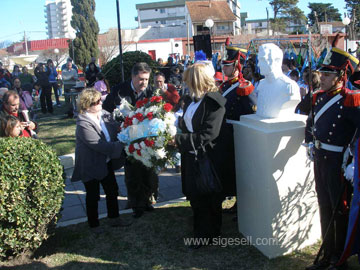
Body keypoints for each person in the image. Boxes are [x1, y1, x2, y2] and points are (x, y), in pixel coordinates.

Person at [304, 43, 360, 270]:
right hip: (321, 158)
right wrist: (309, 141)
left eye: (328, 74)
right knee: (324, 205)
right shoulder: (318, 97)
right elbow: (310, 122)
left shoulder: (351, 100)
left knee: (339, 209)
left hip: (338, 162)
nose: (323, 77)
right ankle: (327, 253)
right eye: (322, 73)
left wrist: (354, 160)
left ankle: (340, 257)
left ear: (340, 76)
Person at [175, 63, 226, 249]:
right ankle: (200, 231)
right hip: (190, 156)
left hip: (206, 158)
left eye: (189, 81)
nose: (186, 85)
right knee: (196, 197)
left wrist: (179, 140)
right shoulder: (191, 100)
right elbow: (186, 124)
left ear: (198, 81)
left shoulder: (214, 102)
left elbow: (208, 134)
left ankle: (210, 234)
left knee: (208, 198)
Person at [71, 89, 132, 234]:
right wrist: (122, 144)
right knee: (93, 195)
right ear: (87, 105)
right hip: (90, 163)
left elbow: (117, 129)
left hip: (105, 161)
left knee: (112, 190)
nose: (100, 103)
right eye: (96, 101)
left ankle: (114, 218)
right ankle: (94, 225)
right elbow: (98, 144)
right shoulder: (83, 123)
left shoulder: (104, 114)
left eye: (100, 100)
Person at [103, 62, 158, 218]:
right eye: (141, 79)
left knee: (148, 171)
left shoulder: (151, 91)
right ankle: (136, 205)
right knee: (133, 173)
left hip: (146, 138)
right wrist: (117, 125)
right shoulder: (118, 91)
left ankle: (147, 200)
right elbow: (106, 112)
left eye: (147, 79)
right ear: (133, 76)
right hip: (128, 139)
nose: (144, 83)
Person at [219, 41, 256, 211]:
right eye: (224, 65)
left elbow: (250, 113)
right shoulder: (225, 86)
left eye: (227, 65)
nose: (224, 68)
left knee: (237, 170)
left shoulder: (244, 87)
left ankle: (240, 203)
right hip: (224, 135)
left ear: (236, 66)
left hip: (236, 135)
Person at [256, 43, 301, 118]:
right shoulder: (261, 84)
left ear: (277, 61)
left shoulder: (289, 87)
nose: (258, 64)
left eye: (263, 60)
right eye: (259, 60)